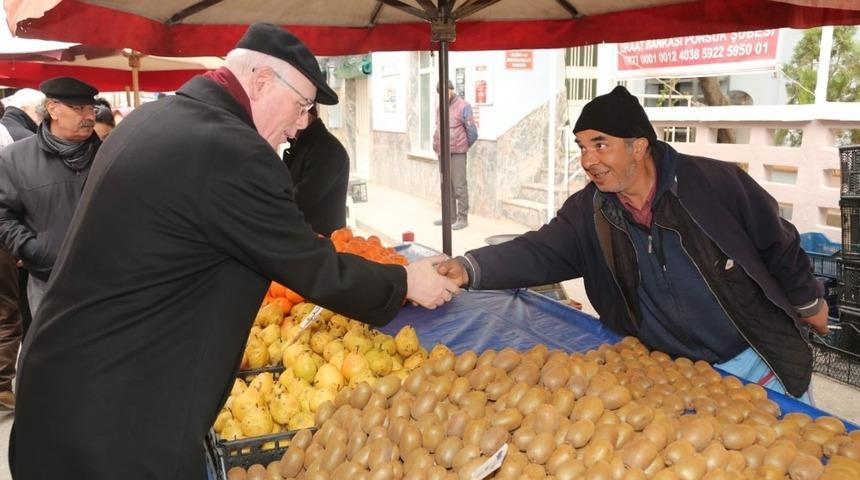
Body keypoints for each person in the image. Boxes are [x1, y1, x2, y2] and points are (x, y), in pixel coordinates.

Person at [11, 23, 458, 479]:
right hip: (117, 424)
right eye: (302, 106)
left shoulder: (153, 120)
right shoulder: (230, 150)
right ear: (261, 81)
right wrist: (406, 281)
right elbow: (313, 267)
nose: (302, 124)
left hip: (61, 393)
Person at [436, 85, 827, 400]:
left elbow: (777, 241)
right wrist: (470, 268)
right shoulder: (590, 210)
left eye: (600, 144)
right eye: (582, 147)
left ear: (638, 147)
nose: (588, 160)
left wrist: (808, 302)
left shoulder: (712, 184)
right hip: (676, 374)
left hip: (757, 358)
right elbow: (538, 250)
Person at [0, 77, 101, 320]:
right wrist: (32, 249)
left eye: (91, 108)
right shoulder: (15, 158)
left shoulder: (110, 154)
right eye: (79, 109)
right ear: (53, 109)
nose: (88, 115)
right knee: (56, 354)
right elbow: (3, 216)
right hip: (48, 281)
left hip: (106, 279)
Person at [283, 104, 350, 236]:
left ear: (304, 114)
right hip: (305, 239)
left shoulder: (327, 149)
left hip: (322, 243)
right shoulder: (302, 145)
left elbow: (302, 198)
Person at [432, 79, 478, 230]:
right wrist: (435, 143)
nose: (443, 96)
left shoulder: (464, 106)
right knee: (446, 186)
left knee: (459, 185)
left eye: (445, 92)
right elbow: (438, 127)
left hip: (457, 152)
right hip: (442, 152)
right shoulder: (440, 108)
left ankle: (462, 218)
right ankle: (449, 217)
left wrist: (463, 146)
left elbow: (472, 132)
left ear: (452, 89)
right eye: (440, 94)